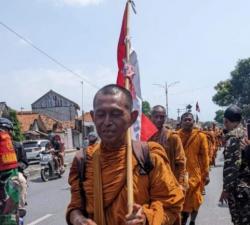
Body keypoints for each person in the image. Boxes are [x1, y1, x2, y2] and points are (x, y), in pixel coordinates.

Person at [66, 84, 184, 225]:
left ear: (132, 117)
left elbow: (171, 207)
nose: (107, 122)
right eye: (101, 114)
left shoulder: (149, 156)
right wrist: (79, 220)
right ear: (93, 117)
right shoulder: (83, 160)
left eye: (116, 114)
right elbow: (75, 207)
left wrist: (146, 218)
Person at [149, 105, 187, 225]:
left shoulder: (172, 137)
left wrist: (180, 184)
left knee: (170, 217)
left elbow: (181, 162)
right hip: (149, 185)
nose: (159, 119)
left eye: (162, 117)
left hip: (169, 184)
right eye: (156, 117)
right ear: (151, 117)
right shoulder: (145, 136)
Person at [219, 105, 250, 225]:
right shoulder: (246, 134)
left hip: (239, 188)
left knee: (240, 220)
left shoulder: (233, 138)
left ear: (226, 120)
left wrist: (225, 190)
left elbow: (231, 167)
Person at [177, 112, 210, 225]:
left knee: (196, 199)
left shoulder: (200, 136)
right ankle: (183, 219)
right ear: (181, 122)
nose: (187, 121)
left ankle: (193, 221)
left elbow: (205, 156)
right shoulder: (175, 136)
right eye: (185, 119)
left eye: (189, 119)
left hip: (195, 174)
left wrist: (206, 174)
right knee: (182, 201)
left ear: (193, 122)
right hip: (180, 174)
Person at [0, 117, 19, 225]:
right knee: (10, 210)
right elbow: (10, 169)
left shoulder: (16, 144)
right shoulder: (5, 139)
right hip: (9, 177)